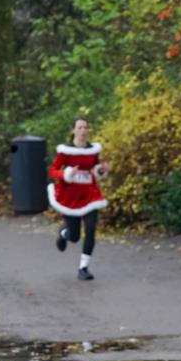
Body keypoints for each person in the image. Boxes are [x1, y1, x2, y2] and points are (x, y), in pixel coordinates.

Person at [48, 117, 108, 280]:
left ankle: (83, 267)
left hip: (90, 195)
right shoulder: (65, 151)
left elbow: (95, 167)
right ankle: (64, 234)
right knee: (74, 236)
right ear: (73, 131)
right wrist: (66, 173)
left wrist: (101, 170)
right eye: (80, 128)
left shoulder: (93, 150)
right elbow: (52, 171)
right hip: (70, 198)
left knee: (90, 229)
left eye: (85, 128)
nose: (83, 131)